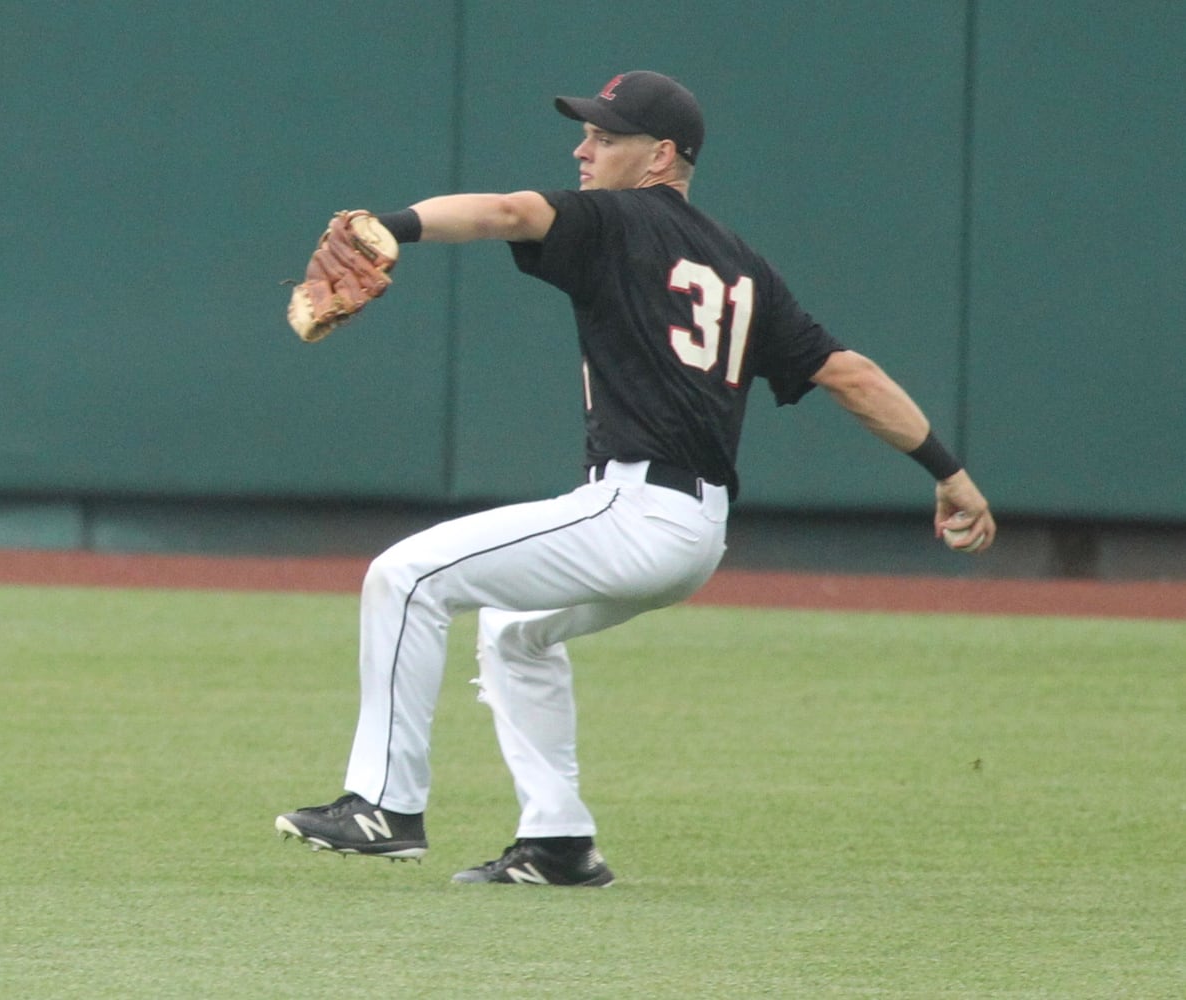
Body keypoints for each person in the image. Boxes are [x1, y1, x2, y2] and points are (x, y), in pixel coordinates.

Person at [274, 70, 996, 887]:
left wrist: (394, 226)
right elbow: (850, 373)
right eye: (585, 133)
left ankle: (383, 806)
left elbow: (508, 212)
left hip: (634, 510)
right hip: (695, 533)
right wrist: (949, 472)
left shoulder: (613, 220)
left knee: (404, 575)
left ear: (658, 157)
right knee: (515, 635)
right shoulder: (742, 267)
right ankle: (559, 844)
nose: (582, 149)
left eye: (604, 137)